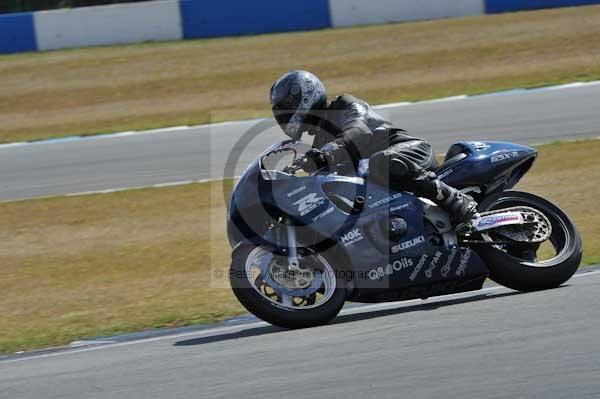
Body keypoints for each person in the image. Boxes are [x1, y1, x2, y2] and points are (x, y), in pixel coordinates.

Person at [270, 70, 477, 224]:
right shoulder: (319, 143)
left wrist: (328, 153)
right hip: (384, 181)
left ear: (305, 95)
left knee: (381, 162)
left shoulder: (345, 105)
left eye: (286, 108)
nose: (284, 116)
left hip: (407, 151)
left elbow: (359, 131)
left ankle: (455, 198)